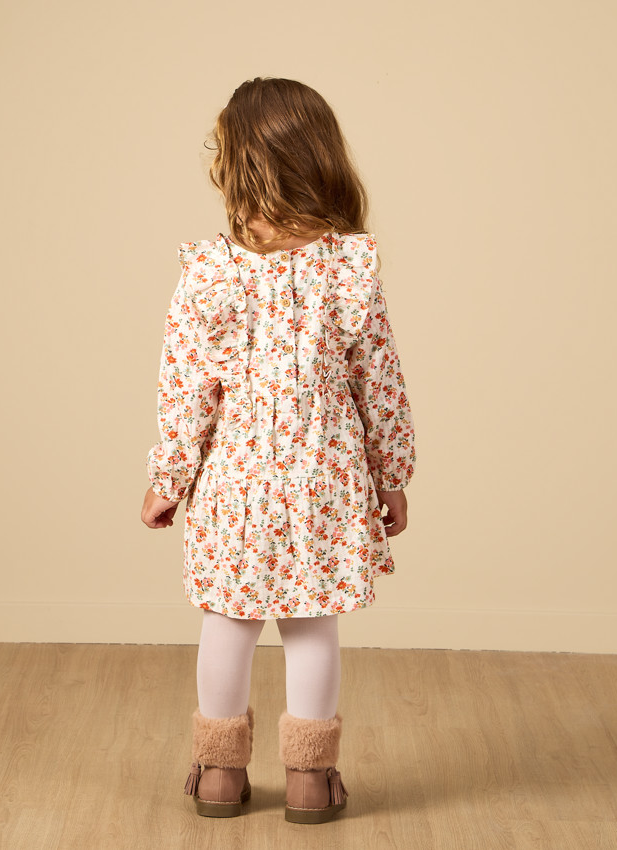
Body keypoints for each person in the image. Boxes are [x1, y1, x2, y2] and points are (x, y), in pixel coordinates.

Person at [140, 77, 416, 824]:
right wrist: (392, 475)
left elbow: (186, 386)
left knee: (229, 619)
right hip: (324, 479)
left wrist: (170, 475)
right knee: (311, 622)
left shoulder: (210, 272)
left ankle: (220, 774)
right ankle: (310, 781)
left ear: (235, 168)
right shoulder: (350, 269)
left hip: (237, 480)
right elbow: (379, 381)